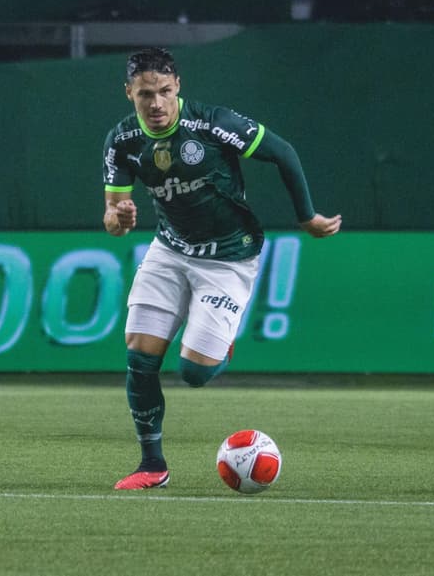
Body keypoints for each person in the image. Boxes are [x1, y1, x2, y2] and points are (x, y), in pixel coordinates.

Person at [102, 47, 340, 489]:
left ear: (178, 87)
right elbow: (113, 217)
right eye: (145, 95)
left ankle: (220, 344)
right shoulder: (122, 141)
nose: (155, 103)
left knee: (193, 373)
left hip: (228, 257)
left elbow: (283, 152)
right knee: (139, 357)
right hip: (169, 252)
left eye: (164, 92)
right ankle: (152, 465)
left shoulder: (213, 124)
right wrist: (118, 220)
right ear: (129, 93)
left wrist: (306, 216)